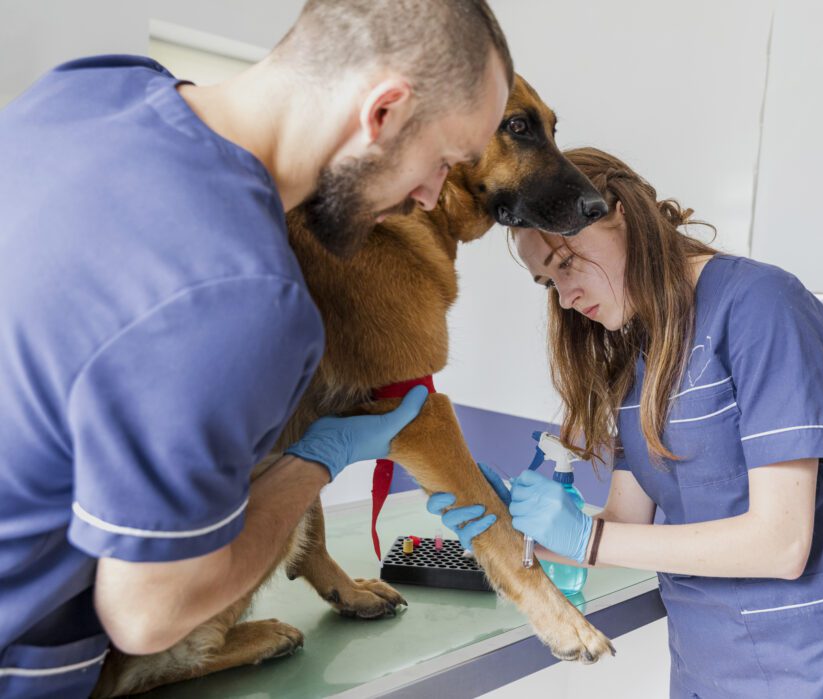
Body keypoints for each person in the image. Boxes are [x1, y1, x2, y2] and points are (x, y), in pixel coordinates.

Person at [0, 1, 513, 696]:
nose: (429, 197)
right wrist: (313, 464)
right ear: (384, 113)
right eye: (441, 162)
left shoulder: (91, 89)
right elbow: (147, 616)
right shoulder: (246, 294)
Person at [429, 147, 823, 698]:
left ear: (617, 212)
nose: (567, 296)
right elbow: (627, 522)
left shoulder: (761, 305)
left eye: (567, 262)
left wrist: (584, 537)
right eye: (548, 283)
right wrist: (514, 529)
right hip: (702, 656)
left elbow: (781, 544)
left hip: (806, 658)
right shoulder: (638, 347)